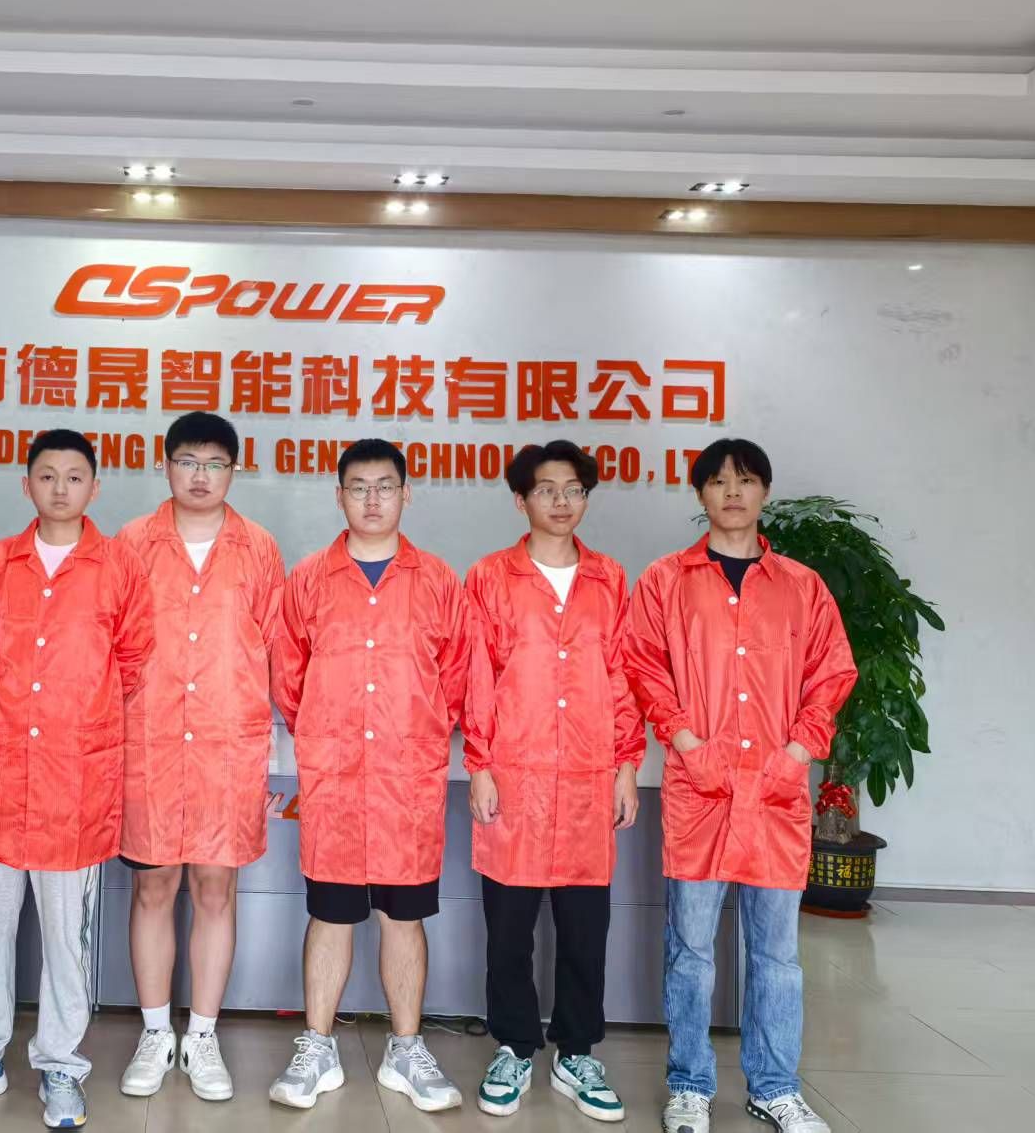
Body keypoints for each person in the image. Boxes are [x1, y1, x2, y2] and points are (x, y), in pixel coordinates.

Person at [624, 439, 857, 1133]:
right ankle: (690, 1085)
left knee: (777, 954)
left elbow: (832, 672)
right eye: (719, 481)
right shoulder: (666, 581)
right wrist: (686, 742)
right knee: (690, 950)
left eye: (746, 480)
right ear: (700, 493)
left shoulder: (802, 586)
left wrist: (798, 750)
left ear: (764, 492)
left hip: (776, 793)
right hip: (701, 790)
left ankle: (775, 1086)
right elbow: (642, 664)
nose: (733, 492)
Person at [0, 429, 154, 1130]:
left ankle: (60, 1064)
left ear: (95, 487)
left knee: (65, 939)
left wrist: (86, 724)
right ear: (26, 485)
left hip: (72, 781)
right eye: (47, 475)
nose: (60, 488)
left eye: (74, 476)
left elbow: (134, 661)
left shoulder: (119, 567)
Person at [267, 438, 470, 1113]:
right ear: (340, 495)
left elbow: (458, 675)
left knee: (403, 917)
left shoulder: (437, 580)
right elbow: (288, 672)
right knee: (330, 913)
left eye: (385, 486)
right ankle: (317, 1047)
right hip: (336, 780)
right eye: (359, 487)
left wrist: (422, 729)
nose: (373, 499)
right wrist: (323, 730)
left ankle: (406, 1050)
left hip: (407, 780)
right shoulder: (309, 579)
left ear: (406, 493)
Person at [464, 441, 643, 1123]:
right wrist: (480, 764)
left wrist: (627, 764)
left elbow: (623, 674)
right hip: (514, 777)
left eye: (573, 489)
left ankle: (577, 1051)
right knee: (509, 930)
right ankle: (513, 1046)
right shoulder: (490, 577)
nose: (561, 501)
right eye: (546, 489)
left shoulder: (609, 579)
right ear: (521, 500)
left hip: (590, 779)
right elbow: (477, 676)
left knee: (584, 927)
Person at [114, 412, 284, 1103]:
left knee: (216, 886)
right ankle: (156, 1032)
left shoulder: (259, 548)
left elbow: (277, 647)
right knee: (153, 886)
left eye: (215, 463)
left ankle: (203, 1036)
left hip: (225, 745)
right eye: (188, 461)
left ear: (234, 471)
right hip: (149, 739)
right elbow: (111, 644)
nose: (201, 475)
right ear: (166, 466)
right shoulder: (131, 543)